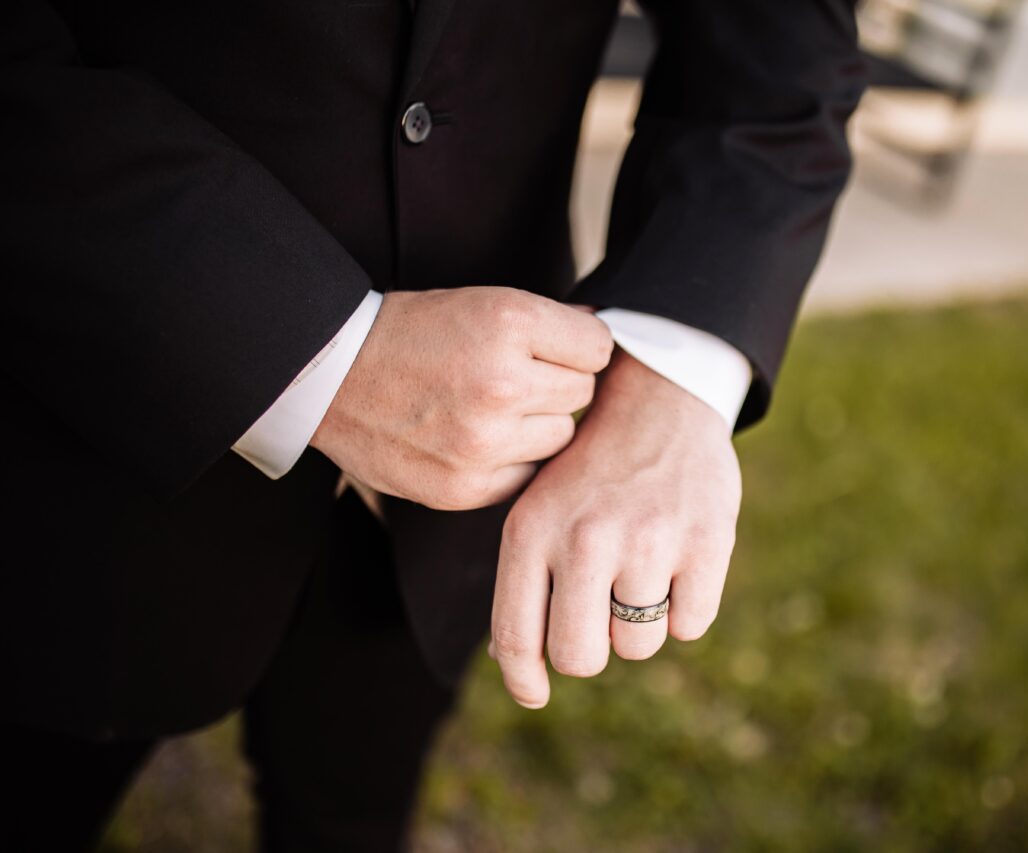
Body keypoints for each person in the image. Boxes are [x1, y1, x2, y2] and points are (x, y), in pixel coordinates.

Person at [0, 0, 866, 848]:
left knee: (355, 808)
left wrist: (674, 372)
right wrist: (320, 357)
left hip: (461, 493)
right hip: (80, 443)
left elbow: (778, 52)